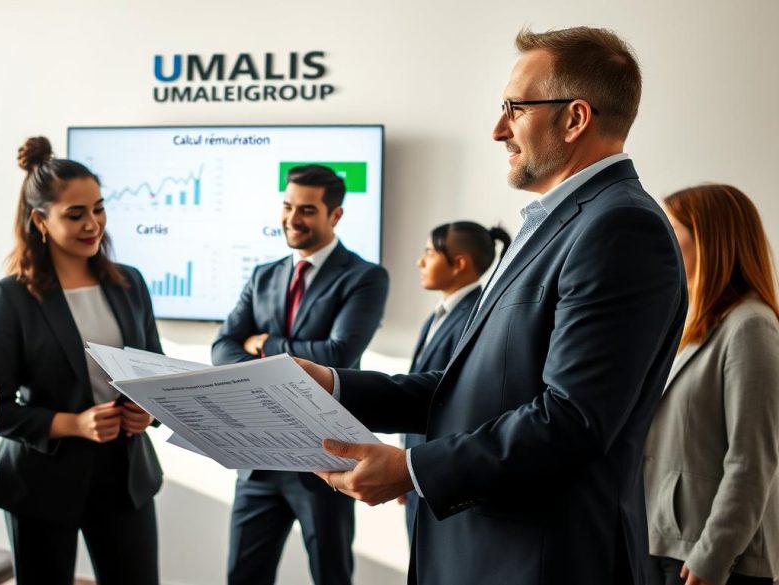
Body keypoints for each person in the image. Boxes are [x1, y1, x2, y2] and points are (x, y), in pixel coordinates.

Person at [298, 27, 688, 584]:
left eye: (514, 107)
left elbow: (572, 419)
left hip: (539, 561)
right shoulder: (555, 223)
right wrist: (334, 384)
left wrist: (412, 469)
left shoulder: (620, 227)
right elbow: (471, 388)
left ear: (575, 118)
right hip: (486, 553)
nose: (497, 129)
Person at [0, 137, 162, 585]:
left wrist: (149, 411)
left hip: (125, 476)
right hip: (42, 480)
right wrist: (73, 424)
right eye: (75, 214)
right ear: (40, 220)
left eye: (98, 209)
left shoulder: (130, 284)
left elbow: (157, 373)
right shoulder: (11, 297)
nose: (93, 224)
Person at [212, 164, 390, 585]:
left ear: (336, 215)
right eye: (288, 206)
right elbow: (222, 348)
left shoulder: (364, 277)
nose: (292, 219)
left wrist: (265, 346)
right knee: (242, 576)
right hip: (257, 457)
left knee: (331, 574)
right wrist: (262, 357)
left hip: (325, 458)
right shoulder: (264, 275)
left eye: (307, 210)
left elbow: (339, 353)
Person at [644, 184, 779, 585]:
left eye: (670, 228)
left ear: (707, 237)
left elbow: (752, 461)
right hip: (669, 547)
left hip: (712, 560)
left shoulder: (750, 326)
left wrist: (714, 555)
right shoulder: (695, 326)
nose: (660, 240)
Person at [400, 221, 510, 538]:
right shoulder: (441, 314)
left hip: (442, 478)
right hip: (418, 472)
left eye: (429, 253)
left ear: (459, 262)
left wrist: (421, 471)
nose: (420, 262)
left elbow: (459, 402)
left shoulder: (474, 316)